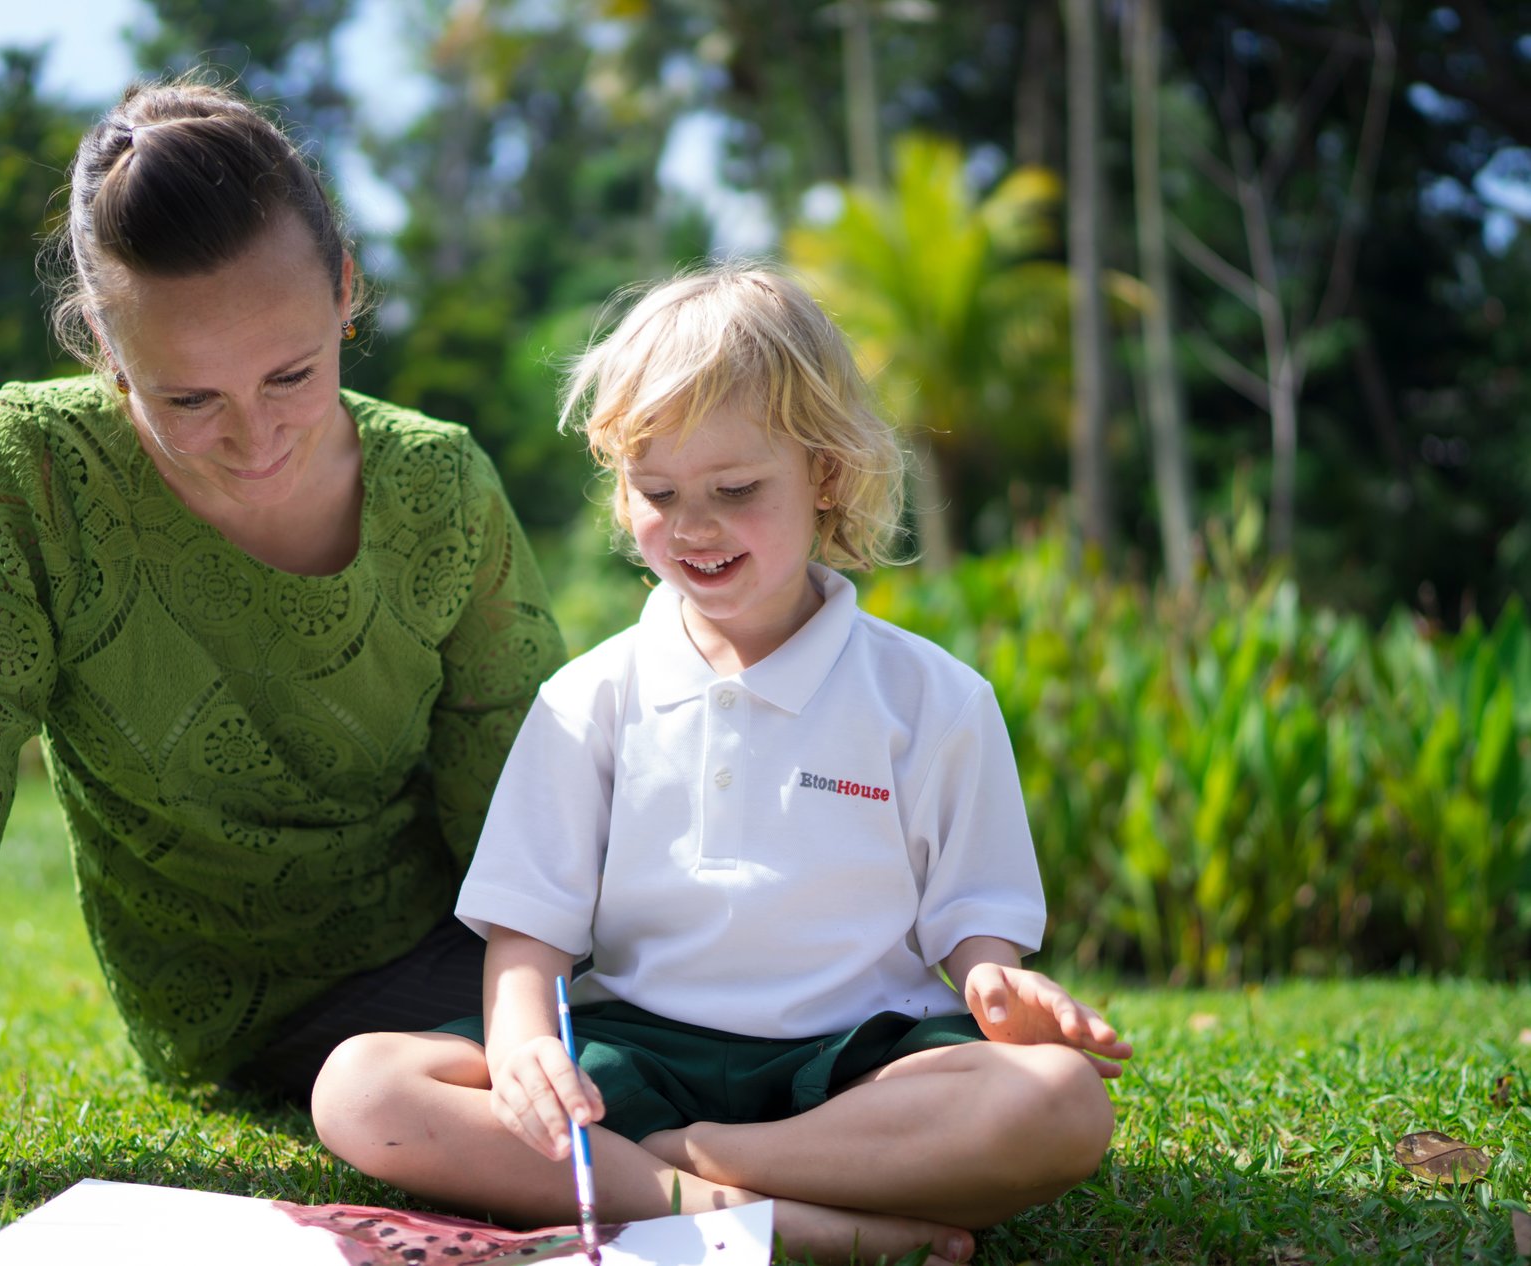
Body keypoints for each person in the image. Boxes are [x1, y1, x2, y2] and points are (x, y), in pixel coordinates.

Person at [0, 78, 564, 1261]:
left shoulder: (440, 485)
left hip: (475, 954)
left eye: (290, 374)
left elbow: (533, 823)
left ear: (343, 294)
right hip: (257, 1014)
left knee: (723, 1021)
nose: (256, 437)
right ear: (103, 350)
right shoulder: (30, 475)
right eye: (188, 398)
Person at [310, 267, 1135, 1266]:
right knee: (359, 1088)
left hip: (860, 1071)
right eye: (658, 493)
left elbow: (976, 933)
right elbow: (528, 938)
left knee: (1060, 1104)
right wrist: (526, 1042)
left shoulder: (933, 698)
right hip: (638, 1049)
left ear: (825, 473)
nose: (693, 526)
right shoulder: (590, 698)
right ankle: (769, 1223)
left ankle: (690, 1170)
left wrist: (1001, 988)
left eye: (735, 491)